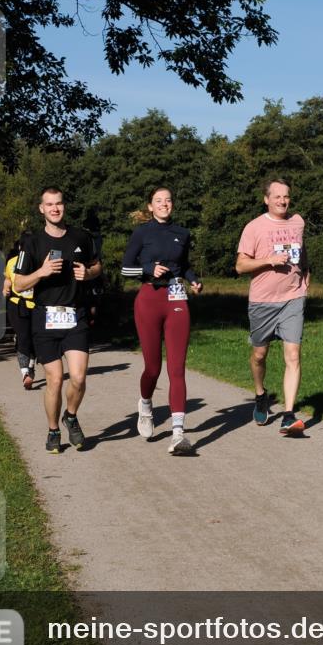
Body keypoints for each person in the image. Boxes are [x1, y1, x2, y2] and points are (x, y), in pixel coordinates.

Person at [14, 188, 102, 454]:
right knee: (54, 380)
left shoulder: (81, 237)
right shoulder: (30, 243)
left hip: (75, 315)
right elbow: (18, 283)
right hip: (45, 318)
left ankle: (71, 416)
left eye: (59, 204)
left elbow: (98, 266)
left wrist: (89, 273)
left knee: (78, 377)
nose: (55, 209)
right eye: (49, 204)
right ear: (41, 208)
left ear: (64, 206)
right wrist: (40, 272)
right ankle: (53, 430)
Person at [121, 187, 202, 455]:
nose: (164, 204)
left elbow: (185, 265)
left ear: (172, 205)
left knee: (177, 368)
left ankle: (178, 433)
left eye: (168, 199)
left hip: (177, 300)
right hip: (149, 299)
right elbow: (124, 268)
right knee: (153, 368)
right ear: (151, 206)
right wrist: (148, 269)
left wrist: (193, 280)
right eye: (159, 201)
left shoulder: (182, 233)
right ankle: (145, 404)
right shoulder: (142, 232)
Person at [235, 178, 309, 435]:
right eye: (277, 196)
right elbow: (241, 266)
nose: (282, 201)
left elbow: (303, 253)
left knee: (293, 355)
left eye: (286, 196)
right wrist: (269, 261)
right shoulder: (254, 227)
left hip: (293, 298)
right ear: (266, 199)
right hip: (262, 301)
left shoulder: (298, 222)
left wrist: (305, 278)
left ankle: (288, 415)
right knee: (259, 355)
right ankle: (260, 394)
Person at [3, 237, 36, 390]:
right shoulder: (12, 262)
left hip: (37, 306)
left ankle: (31, 366)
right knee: (24, 337)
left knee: (35, 338)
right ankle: (25, 373)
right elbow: (7, 279)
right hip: (17, 304)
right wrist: (6, 287)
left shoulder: (40, 261)